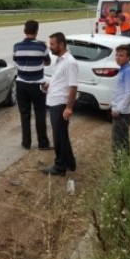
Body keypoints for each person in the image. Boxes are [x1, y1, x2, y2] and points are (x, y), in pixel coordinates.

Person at [40, 32, 78, 176]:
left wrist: (69, 107)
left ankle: (59, 166)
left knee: (58, 137)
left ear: (61, 44)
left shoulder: (70, 62)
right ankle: (70, 162)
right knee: (62, 135)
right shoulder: (60, 60)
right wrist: (48, 86)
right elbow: (61, 81)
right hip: (55, 101)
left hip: (60, 104)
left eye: (52, 44)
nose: (50, 47)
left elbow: (73, 87)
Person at [13, 20, 53, 151]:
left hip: (21, 84)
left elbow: (16, 60)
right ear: (37, 32)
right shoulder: (42, 46)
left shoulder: (17, 46)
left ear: (25, 31)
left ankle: (26, 142)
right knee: (40, 113)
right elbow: (47, 62)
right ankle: (42, 143)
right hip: (37, 84)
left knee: (24, 114)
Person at [110, 44, 130, 167]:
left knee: (118, 143)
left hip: (123, 114)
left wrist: (118, 109)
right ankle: (125, 166)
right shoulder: (124, 70)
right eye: (117, 55)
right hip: (123, 112)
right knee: (124, 141)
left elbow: (129, 94)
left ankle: (119, 169)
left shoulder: (128, 72)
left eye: (121, 55)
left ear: (128, 58)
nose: (118, 57)